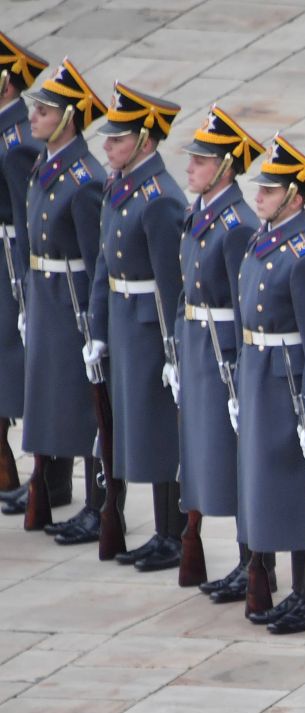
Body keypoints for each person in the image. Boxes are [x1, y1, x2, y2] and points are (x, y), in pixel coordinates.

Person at [233, 134, 305, 633]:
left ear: (294, 196)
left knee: (295, 489)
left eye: (269, 191)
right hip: (257, 373)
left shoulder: (304, 254)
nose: (259, 197)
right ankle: (280, 584)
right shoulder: (263, 238)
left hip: (286, 379)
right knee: (264, 483)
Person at [89, 82, 185, 570]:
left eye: (117, 139)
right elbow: (106, 263)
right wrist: (98, 327)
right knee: (134, 429)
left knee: (161, 431)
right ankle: (161, 530)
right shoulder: (119, 185)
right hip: (126, 324)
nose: (106, 146)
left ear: (145, 141)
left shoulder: (160, 198)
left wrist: (173, 351)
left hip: (150, 326)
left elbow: (172, 285)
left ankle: (173, 534)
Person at [172, 105, 261, 602]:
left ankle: (252, 562)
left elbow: (243, 306)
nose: (190, 168)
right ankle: (241, 560)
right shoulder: (201, 214)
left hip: (222, 354)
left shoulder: (235, 226)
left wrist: (235, 371)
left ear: (225, 168)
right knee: (207, 457)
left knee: (236, 461)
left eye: (201, 161)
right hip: (197, 346)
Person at [19, 60, 104, 537]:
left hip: (71, 304)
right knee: (49, 400)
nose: (34, 117)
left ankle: (96, 504)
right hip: (46, 295)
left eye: (45, 111)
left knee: (84, 405)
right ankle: (51, 488)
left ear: (68, 118)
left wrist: (94, 326)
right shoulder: (46, 163)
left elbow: (95, 264)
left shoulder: (85, 179)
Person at [0, 35, 48, 517]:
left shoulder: (17, 141)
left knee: (14, 366)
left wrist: (22, 279)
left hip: (9, 258)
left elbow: (22, 217)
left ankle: (20, 472)